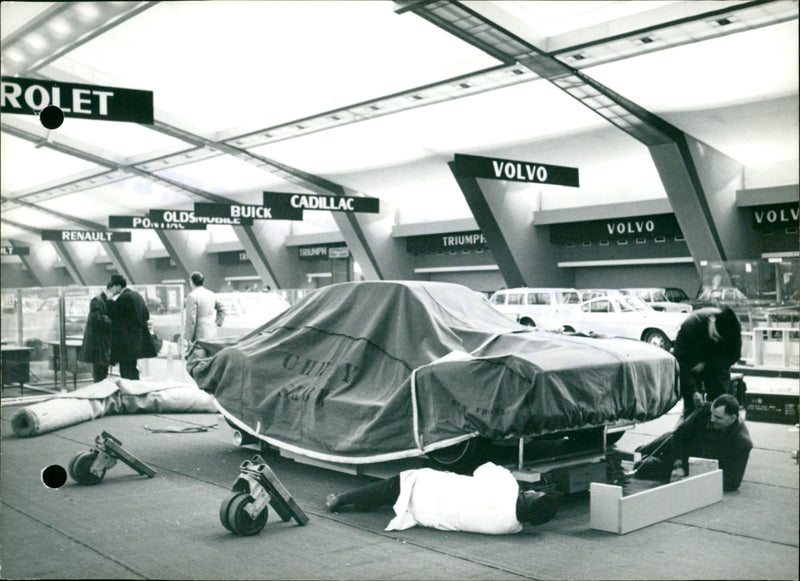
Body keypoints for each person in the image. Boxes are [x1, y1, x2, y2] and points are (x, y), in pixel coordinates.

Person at [325, 462, 560, 534]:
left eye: (533, 492)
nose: (531, 490)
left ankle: (342, 498)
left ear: (528, 498)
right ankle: (362, 503)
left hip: (431, 488)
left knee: (397, 484)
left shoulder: (507, 485)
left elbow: (483, 468)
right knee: (396, 494)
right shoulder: (509, 528)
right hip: (426, 516)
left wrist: (513, 484)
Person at [634, 394, 752, 492]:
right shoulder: (706, 409)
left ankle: (653, 459)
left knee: (642, 467)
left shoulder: (742, 442)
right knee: (645, 452)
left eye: (718, 418)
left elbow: (733, 482)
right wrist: (678, 465)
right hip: (681, 452)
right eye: (712, 414)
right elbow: (679, 434)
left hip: (696, 469)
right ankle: (643, 451)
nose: (712, 419)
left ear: (732, 418)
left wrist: (691, 478)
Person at [672, 306, 742, 417]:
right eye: (714, 335)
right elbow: (679, 360)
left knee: (721, 401)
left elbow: (734, 356)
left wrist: (706, 364)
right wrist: (692, 390)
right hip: (692, 362)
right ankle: (692, 426)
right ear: (711, 321)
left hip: (716, 363)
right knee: (692, 405)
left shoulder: (733, 328)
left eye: (719, 339)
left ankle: (718, 430)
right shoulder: (691, 324)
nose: (715, 340)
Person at [107, 274, 157, 380]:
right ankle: (136, 390)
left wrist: (110, 300)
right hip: (137, 340)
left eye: (113, 286)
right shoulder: (137, 296)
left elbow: (113, 316)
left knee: (125, 370)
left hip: (125, 341)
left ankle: (129, 393)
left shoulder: (123, 298)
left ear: (119, 286)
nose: (112, 289)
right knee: (132, 368)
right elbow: (146, 315)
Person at [77, 282, 114, 383]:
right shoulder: (97, 301)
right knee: (99, 371)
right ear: (111, 288)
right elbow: (98, 320)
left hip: (102, 343)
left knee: (102, 371)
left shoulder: (104, 301)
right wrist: (112, 321)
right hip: (98, 343)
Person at [183, 271, 225, 347]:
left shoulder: (191, 296)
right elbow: (222, 309)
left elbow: (191, 321)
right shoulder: (211, 294)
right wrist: (218, 322)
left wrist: (188, 339)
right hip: (212, 331)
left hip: (199, 334)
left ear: (192, 282)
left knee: (198, 357)